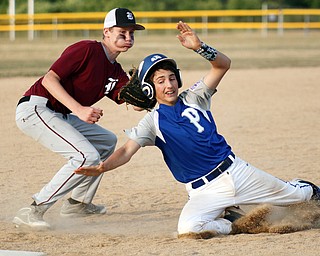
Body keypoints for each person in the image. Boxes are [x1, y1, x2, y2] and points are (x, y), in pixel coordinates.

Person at [75, 21, 320, 238]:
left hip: (237, 173)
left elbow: (222, 65)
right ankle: (232, 222)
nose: (169, 85)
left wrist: (199, 47)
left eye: (172, 78)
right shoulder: (152, 122)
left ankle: (304, 186)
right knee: (190, 229)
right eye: (160, 81)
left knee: (299, 197)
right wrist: (103, 167)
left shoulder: (196, 97)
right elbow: (127, 150)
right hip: (204, 191)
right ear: (149, 89)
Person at [13, 8, 145, 229]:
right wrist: (80, 109)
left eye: (132, 33)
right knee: (86, 156)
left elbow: (131, 102)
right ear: (107, 32)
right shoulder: (87, 49)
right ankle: (34, 208)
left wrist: (150, 94)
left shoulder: (116, 71)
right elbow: (49, 80)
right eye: (122, 32)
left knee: (106, 141)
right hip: (35, 109)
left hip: (59, 114)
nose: (128, 38)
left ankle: (78, 203)